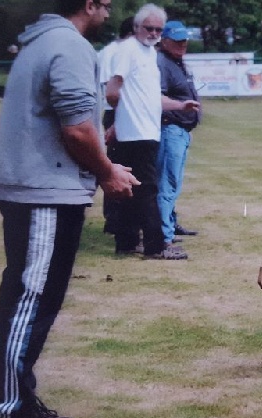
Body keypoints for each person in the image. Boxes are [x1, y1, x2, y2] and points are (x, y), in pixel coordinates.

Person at [0, 0, 138, 418]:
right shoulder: (68, 45)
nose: (110, 11)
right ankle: (10, 414)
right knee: (28, 303)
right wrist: (106, 171)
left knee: (30, 303)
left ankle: (19, 403)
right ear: (88, 4)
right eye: (106, 4)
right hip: (43, 193)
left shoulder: (42, 40)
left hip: (39, 189)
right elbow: (75, 128)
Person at [105, 3, 200, 260]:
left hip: (146, 132)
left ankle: (126, 242)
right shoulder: (128, 50)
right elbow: (113, 89)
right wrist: (119, 117)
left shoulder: (149, 54)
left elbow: (153, 98)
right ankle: (156, 247)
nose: (154, 32)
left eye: (158, 29)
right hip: (135, 133)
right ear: (137, 27)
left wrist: (181, 105)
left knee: (131, 189)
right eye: (149, 28)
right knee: (147, 190)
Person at [157, 20, 201, 246]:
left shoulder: (176, 62)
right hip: (170, 129)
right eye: (177, 40)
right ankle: (163, 236)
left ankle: (170, 225)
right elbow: (159, 97)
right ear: (164, 41)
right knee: (168, 182)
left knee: (172, 182)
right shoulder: (163, 63)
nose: (182, 44)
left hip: (180, 130)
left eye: (184, 40)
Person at [99, 16, 135, 235]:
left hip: (123, 112)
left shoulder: (121, 51)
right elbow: (108, 87)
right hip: (116, 112)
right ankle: (113, 218)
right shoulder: (112, 52)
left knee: (126, 165)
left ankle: (122, 218)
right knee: (115, 167)